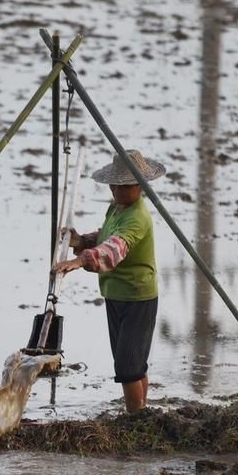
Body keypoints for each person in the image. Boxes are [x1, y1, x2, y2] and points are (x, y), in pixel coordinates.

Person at [53, 149, 165, 413]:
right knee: (133, 361)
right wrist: (81, 241)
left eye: (125, 186)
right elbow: (105, 237)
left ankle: (135, 419)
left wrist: (80, 261)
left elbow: (113, 250)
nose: (117, 190)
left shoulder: (137, 218)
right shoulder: (115, 208)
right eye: (115, 185)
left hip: (138, 297)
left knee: (127, 367)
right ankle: (141, 410)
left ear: (141, 187)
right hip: (116, 294)